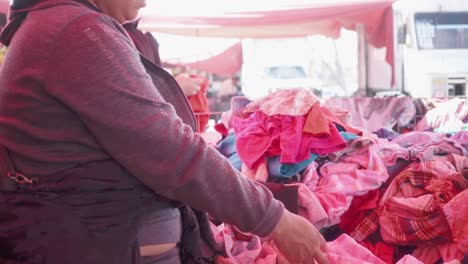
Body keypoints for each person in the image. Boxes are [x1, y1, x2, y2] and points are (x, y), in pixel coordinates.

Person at [0, 0, 329, 264]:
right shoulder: (78, 31)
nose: (146, 1)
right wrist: (276, 221)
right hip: (99, 242)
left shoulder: (59, 26)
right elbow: (170, 150)